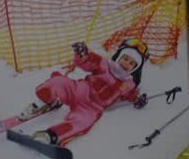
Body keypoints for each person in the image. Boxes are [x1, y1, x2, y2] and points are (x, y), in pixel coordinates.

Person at [17, 40, 150, 147]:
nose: (127, 63)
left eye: (132, 63)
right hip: (82, 89)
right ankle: (42, 103)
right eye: (125, 58)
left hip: (92, 108)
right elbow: (89, 62)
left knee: (83, 122)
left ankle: (51, 135)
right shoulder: (104, 64)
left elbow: (131, 95)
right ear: (119, 56)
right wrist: (83, 56)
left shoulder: (128, 84)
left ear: (135, 69)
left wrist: (137, 99)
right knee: (59, 82)